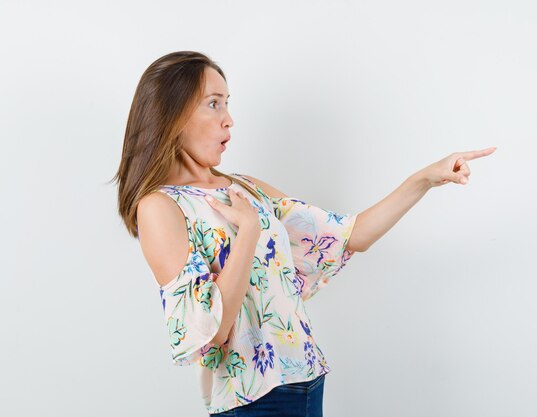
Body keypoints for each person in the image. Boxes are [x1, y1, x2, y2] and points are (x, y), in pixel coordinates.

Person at [112, 50, 496, 416]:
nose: (229, 119)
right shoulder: (160, 207)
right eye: (214, 103)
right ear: (172, 113)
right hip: (250, 401)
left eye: (228, 103)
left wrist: (425, 178)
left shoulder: (244, 188)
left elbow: (350, 236)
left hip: (307, 380)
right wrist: (247, 232)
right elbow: (210, 331)